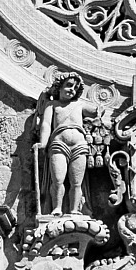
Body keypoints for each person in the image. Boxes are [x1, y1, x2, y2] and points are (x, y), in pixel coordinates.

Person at [37, 73, 90, 215]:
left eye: (75, 87)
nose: (72, 89)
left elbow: (95, 112)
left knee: (77, 182)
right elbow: (46, 124)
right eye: (69, 85)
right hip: (59, 144)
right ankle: (57, 208)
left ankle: (74, 209)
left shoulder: (79, 105)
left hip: (79, 145)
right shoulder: (52, 105)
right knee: (58, 179)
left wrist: (99, 109)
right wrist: (42, 143)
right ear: (59, 87)